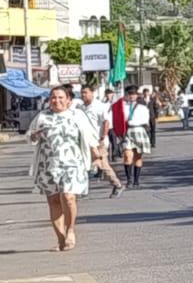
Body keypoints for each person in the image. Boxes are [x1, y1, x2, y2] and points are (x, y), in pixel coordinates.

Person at [29, 85, 98, 251]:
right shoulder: (43, 116)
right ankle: (60, 239)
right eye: (53, 97)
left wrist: (96, 153)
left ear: (68, 100)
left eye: (61, 97)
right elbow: (31, 136)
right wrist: (34, 135)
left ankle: (70, 230)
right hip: (48, 165)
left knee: (68, 197)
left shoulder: (77, 115)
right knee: (53, 201)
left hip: (72, 164)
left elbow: (89, 136)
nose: (56, 100)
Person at [76, 84, 124, 199]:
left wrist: (103, 137)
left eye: (85, 92)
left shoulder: (99, 106)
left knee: (101, 164)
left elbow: (106, 122)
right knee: (82, 164)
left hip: (97, 141)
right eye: (82, 92)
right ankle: (82, 189)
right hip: (84, 141)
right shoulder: (81, 108)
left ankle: (117, 184)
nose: (83, 95)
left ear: (92, 93)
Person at [119, 85, 152, 188]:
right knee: (127, 156)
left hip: (139, 130)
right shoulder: (124, 107)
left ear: (137, 95)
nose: (131, 96)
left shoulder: (142, 107)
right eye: (130, 94)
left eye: (133, 94)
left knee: (137, 157)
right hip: (128, 131)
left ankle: (136, 180)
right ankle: (129, 179)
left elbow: (146, 120)